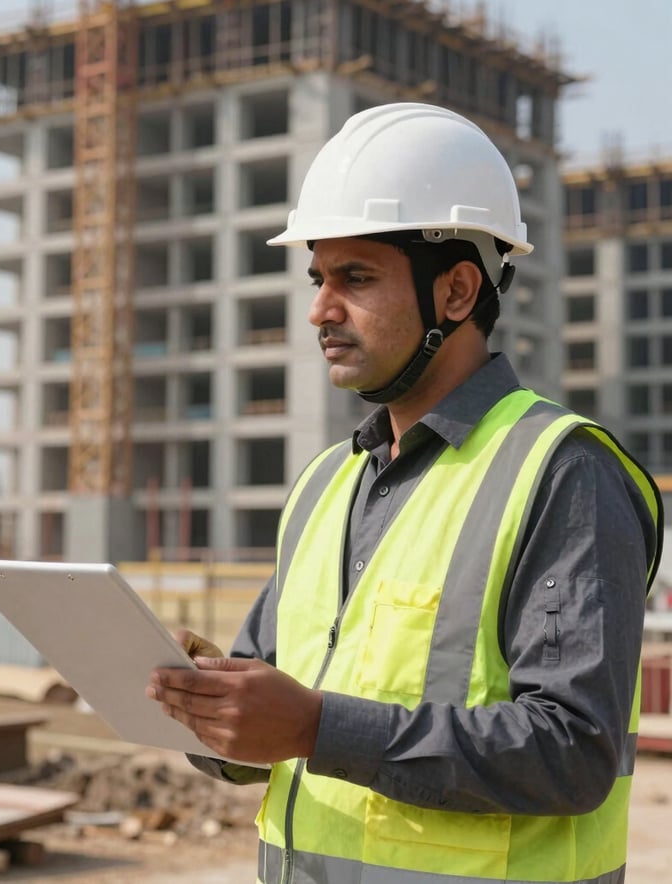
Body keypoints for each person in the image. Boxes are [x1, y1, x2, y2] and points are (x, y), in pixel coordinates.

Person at [145, 103, 663, 884]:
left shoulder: (562, 471)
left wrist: (319, 726)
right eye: (318, 277)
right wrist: (212, 709)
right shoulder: (327, 484)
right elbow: (269, 743)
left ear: (457, 292)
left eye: (356, 277)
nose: (320, 308)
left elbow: (573, 754)